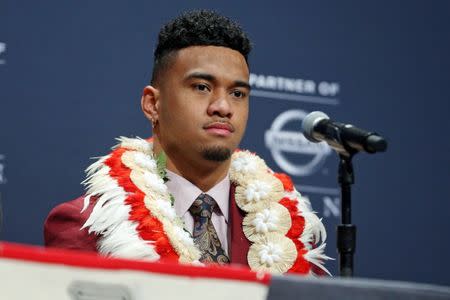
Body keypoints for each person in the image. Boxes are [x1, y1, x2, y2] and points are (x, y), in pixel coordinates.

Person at [44, 10, 330, 275]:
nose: (223, 106)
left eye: (238, 93)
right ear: (152, 104)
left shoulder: (294, 232)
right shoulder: (89, 230)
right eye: (202, 87)